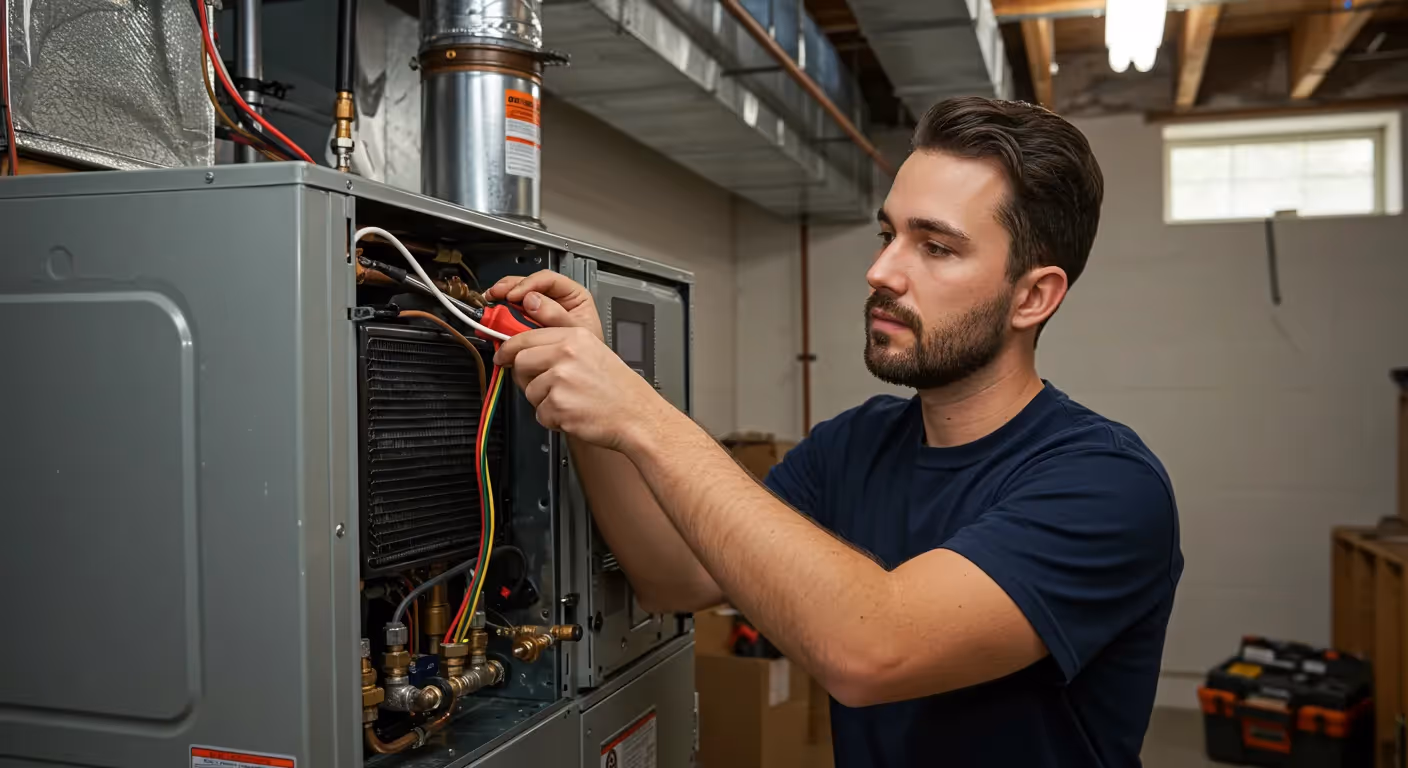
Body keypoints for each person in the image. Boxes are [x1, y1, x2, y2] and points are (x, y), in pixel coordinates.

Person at [486, 96, 1182, 767]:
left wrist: (641, 411)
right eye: (889, 235)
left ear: (1032, 296)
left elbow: (872, 648)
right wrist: (588, 407)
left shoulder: (1106, 485)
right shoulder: (857, 443)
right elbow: (675, 576)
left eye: (936, 247)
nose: (881, 273)